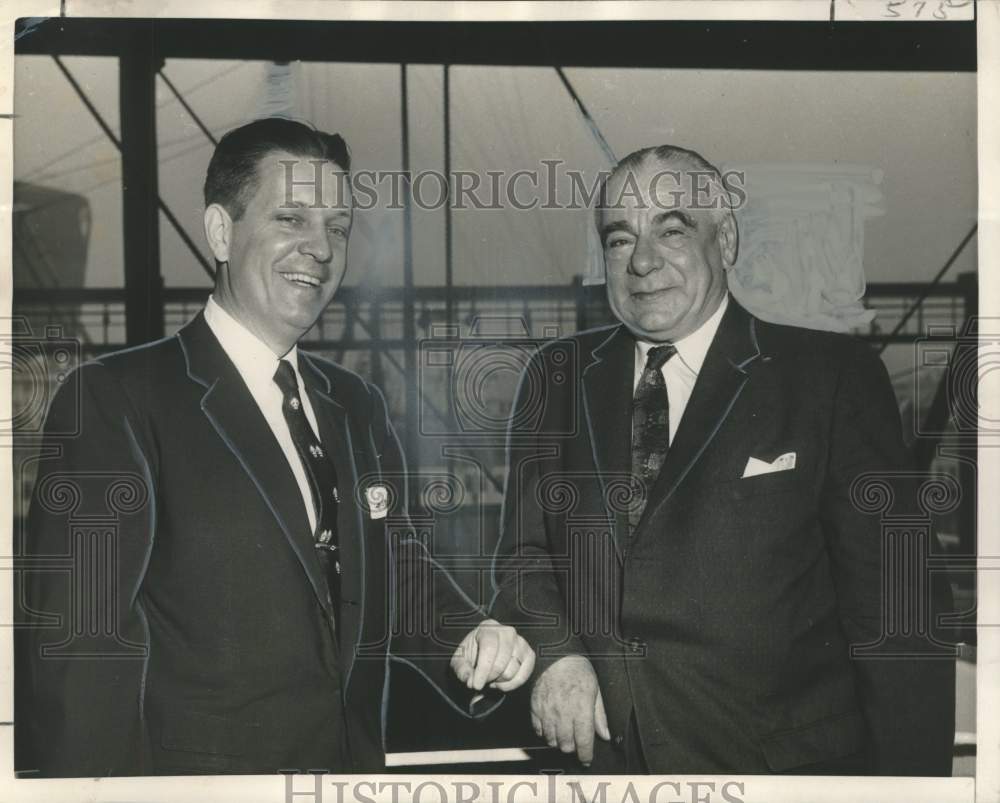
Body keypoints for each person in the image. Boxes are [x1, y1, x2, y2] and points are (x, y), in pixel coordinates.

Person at [16, 117, 534, 777]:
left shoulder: (354, 404)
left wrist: (471, 635)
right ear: (220, 232)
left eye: (338, 227)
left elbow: (391, 570)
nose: (320, 248)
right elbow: (77, 659)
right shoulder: (115, 401)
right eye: (292, 218)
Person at [490, 145, 955, 775]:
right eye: (620, 239)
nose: (644, 261)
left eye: (672, 228)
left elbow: (898, 617)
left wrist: (912, 790)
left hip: (782, 775)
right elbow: (526, 556)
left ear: (726, 238)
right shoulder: (557, 377)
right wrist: (558, 655)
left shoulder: (831, 378)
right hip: (609, 770)